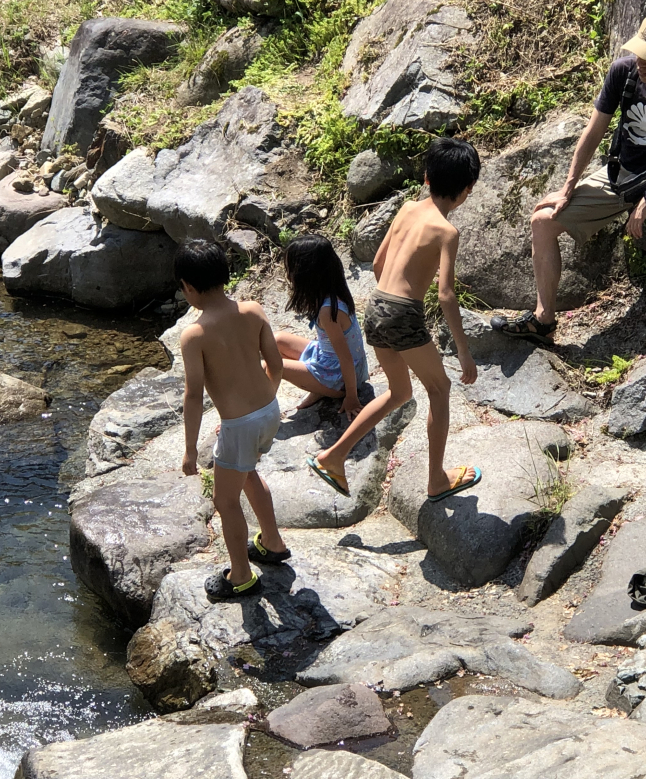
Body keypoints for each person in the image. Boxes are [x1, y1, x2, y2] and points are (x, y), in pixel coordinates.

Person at [490, 12, 646, 353]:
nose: (641, 62)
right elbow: (594, 130)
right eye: (639, 52)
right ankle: (543, 321)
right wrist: (568, 187)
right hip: (621, 176)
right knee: (542, 220)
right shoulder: (624, 72)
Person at [309, 137, 482, 502]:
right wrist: (464, 353)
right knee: (440, 389)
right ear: (467, 190)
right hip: (402, 312)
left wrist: (388, 306)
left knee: (399, 392)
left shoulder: (406, 208)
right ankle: (436, 479)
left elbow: (377, 264)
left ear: (427, 178)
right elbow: (446, 295)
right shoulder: (446, 231)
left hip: (375, 306)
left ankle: (333, 456)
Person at [176, 239, 291, 601]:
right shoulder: (254, 311)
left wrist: (190, 451)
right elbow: (276, 365)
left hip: (240, 426)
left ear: (189, 287)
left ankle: (240, 575)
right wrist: (263, 403)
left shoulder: (194, 335)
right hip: (269, 412)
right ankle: (272, 542)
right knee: (248, 472)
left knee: (226, 503)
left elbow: (194, 395)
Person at [274, 234, 370, 419]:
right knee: (277, 340)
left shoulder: (328, 312)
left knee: (269, 366)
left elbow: (346, 359)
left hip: (340, 377)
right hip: (329, 360)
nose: (288, 274)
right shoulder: (333, 292)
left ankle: (260, 415)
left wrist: (351, 397)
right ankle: (318, 388)